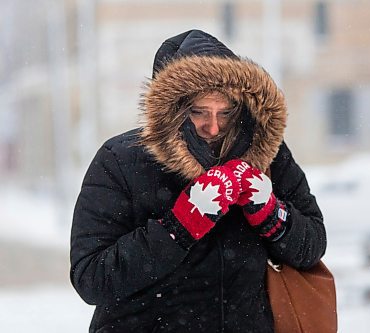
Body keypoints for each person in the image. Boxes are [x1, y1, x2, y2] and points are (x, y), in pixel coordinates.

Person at [70, 29, 326, 333]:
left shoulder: (267, 155)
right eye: (198, 112)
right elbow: (91, 278)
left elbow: (312, 246)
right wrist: (178, 229)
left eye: (226, 112)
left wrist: (272, 214)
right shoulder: (122, 159)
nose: (214, 127)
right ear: (173, 110)